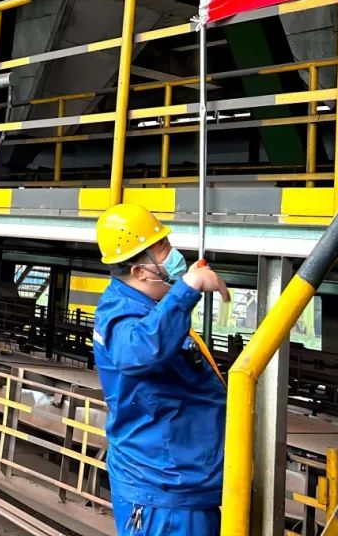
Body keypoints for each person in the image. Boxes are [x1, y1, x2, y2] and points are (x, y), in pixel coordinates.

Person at [92, 204, 231, 535]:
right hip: (164, 493)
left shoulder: (145, 307)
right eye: (164, 249)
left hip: (180, 483)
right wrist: (187, 289)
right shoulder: (121, 314)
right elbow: (138, 351)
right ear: (140, 271)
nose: (175, 256)